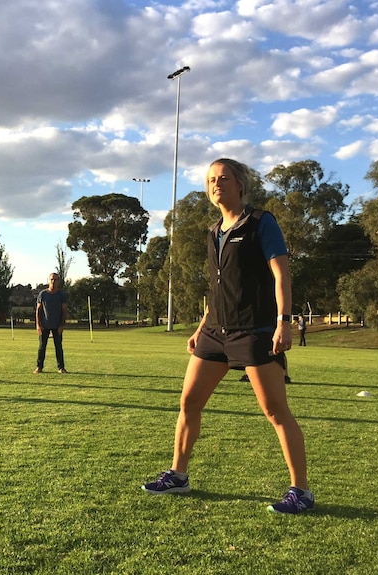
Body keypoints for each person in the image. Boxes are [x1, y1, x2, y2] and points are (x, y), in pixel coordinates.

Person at [142, 158, 313, 514]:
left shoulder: (261, 224)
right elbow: (217, 286)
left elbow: (281, 275)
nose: (216, 184)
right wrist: (202, 326)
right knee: (189, 402)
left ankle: (301, 492)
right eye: (211, 180)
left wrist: (284, 321)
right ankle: (178, 475)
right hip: (215, 331)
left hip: (255, 330)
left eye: (224, 178)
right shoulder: (213, 231)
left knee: (275, 411)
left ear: (240, 185)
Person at [34, 272, 68, 374]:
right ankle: (39, 367)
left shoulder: (62, 295)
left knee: (58, 347)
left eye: (55, 280)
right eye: (52, 279)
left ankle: (61, 368)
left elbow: (64, 311)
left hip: (57, 326)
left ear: (58, 282)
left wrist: (62, 325)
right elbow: (38, 310)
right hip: (44, 325)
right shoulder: (42, 294)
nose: (53, 281)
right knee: (41, 347)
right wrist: (38, 325)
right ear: (49, 281)